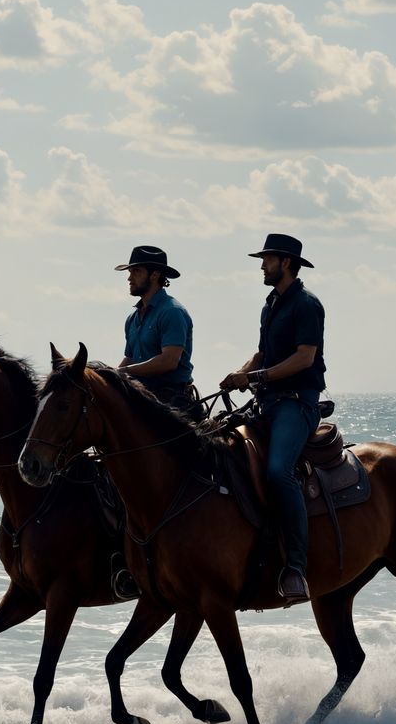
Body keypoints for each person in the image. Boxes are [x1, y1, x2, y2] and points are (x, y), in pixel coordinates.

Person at [219, 232, 326, 606]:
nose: (262, 266)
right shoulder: (271, 305)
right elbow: (263, 353)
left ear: (286, 263)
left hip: (297, 404)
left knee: (278, 471)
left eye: (267, 260)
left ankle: (296, 567)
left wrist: (255, 377)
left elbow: (304, 358)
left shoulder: (307, 304)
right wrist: (241, 372)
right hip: (268, 402)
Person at [115, 245, 203, 418]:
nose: (129, 278)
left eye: (136, 271)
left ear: (154, 275)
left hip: (172, 403)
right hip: (141, 398)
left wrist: (125, 372)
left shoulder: (172, 312)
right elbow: (130, 358)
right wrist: (109, 375)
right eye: (130, 272)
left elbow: (168, 361)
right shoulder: (133, 318)